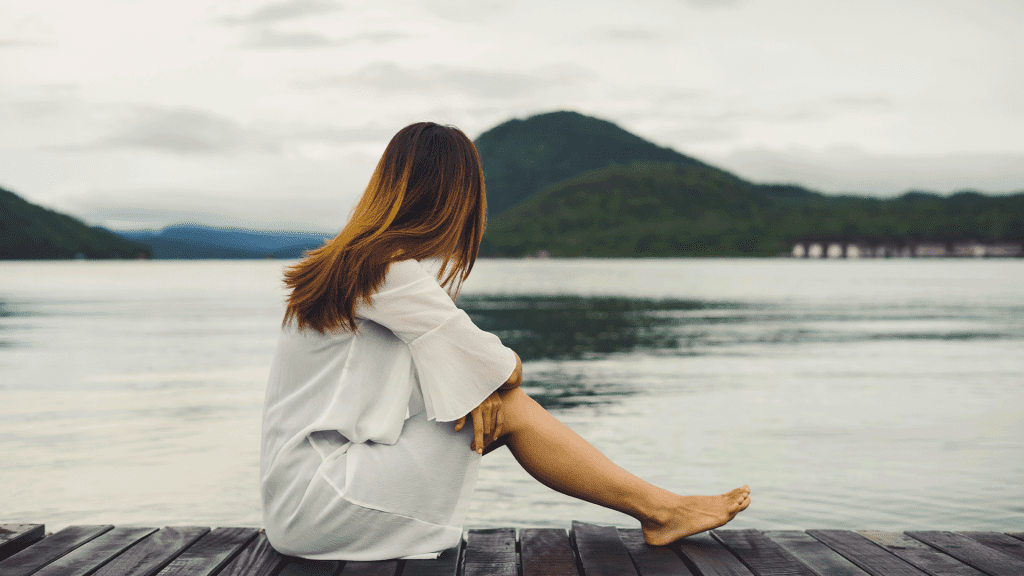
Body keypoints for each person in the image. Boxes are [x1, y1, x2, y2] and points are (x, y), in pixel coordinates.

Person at [260, 122, 751, 561]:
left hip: (301, 496)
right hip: (324, 501)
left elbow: (436, 376)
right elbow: (504, 369)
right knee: (509, 404)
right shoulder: (386, 272)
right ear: (458, 197)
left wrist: (478, 384)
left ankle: (662, 509)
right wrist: (492, 380)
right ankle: (662, 511)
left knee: (488, 395)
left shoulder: (351, 264)